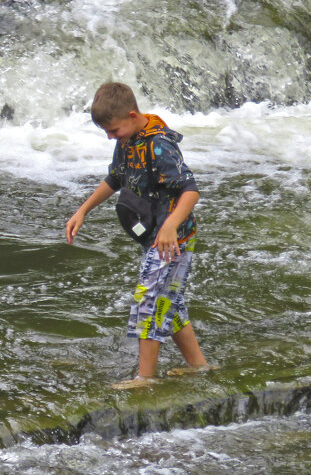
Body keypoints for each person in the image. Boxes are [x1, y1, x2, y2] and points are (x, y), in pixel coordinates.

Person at [65, 82, 214, 389]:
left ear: (132, 116)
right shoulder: (128, 141)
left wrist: (171, 225)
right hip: (155, 238)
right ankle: (200, 367)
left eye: (114, 131)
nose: (110, 137)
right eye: (107, 133)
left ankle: (145, 378)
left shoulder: (159, 145)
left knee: (149, 299)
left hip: (174, 239)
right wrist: (83, 210)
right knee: (169, 303)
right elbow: (115, 178)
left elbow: (190, 190)